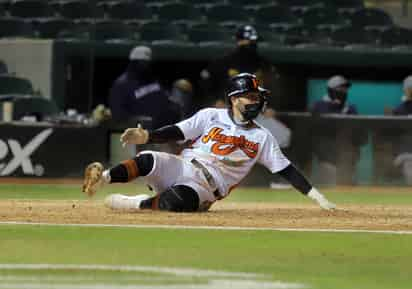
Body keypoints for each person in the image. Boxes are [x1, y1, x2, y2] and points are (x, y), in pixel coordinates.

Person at [83, 73, 336, 212]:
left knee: (178, 202)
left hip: (207, 187)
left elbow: (287, 170)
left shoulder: (262, 137)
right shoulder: (210, 116)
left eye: (257, 97)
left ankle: (134, 204)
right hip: (184, 165)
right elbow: (177, 132)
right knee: (148, 158)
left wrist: (317, 197)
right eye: (250, 96)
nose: (256, 102)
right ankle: (101, 179)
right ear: (234, 99)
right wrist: (147, 136)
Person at [199, 24, 277, 105]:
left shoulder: (264, 63)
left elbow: (273, 88)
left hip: (257, 107)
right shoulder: (224, 62)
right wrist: (216, 100)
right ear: (238, 41)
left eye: (254, 41)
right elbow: (207, 83)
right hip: (228, 107)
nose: (252, 44)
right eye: (248, 40)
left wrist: (271, 107)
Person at [108, 45, 180, 129]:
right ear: (133, 62)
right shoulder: (121, 84)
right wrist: (139, 121)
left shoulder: (151, 78)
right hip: (141, 130)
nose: (145, 65)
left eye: (147, 62)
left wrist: (173, 101)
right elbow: (118, 114)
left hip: (163, 127)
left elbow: (164, 96)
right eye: (142, 62)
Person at [310, 75, 363, 185]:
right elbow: (318, 129)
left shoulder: (351, 108)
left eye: (345, 89)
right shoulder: (319, 106)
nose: (343, 91)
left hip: (347, 157)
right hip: (326, 157)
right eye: (340, 89)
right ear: (331, 90)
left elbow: (358, 131)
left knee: (347, 185)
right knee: (330, 185)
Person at [392, 75, 412, 184]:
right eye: (410, 89)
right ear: (406, 90)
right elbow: (392, 135)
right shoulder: (399, 110)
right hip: (405, 155)